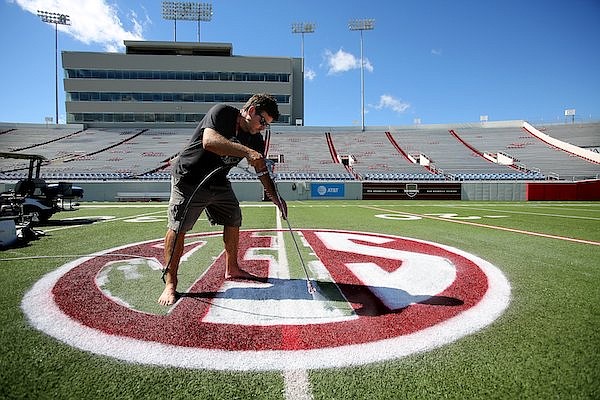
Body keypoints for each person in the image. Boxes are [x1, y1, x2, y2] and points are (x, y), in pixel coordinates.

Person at [158, 93, 286, 306]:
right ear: (251, 110)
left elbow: (262, 170)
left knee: (233, 217)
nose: (262, 127)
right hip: (189, 177)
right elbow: (209, 141)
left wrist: (275, 197)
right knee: (179, 225)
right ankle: (170, 282)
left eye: (267, 125)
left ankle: (232, 268)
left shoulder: (256, 139)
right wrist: (246, 152)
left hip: (218, 181)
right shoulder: (223, 112)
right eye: (262, 121)